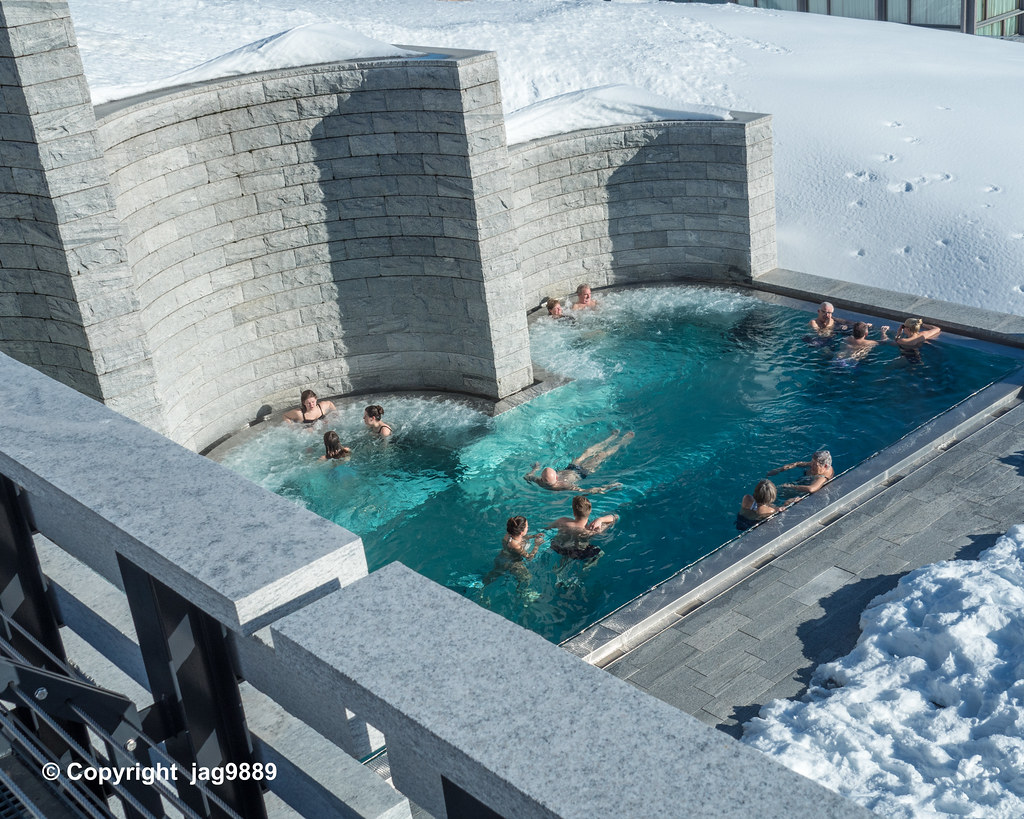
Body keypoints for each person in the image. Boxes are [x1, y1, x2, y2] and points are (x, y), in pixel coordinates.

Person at [524, 430, 633, 493]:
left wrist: (535, 469)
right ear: (556, 477)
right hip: (581, 473)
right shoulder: (564, 485)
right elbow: (585, 491)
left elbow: (527, 476)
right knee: (601, 455)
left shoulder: (539, 481)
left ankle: (611, 438)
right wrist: (607, 488)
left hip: (570, 468)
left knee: (587, 451)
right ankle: (621, 442)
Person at [548, 495, 618, 561]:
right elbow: (615, 517)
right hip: (578, 553)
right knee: (599, 553)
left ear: (574, 513)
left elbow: (546, 529)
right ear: (590, 511)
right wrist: (600, 519)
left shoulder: (562, 521)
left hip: (559, 548)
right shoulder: (591, 530)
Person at [483, 516, 542, 587]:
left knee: (493, 575)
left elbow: (521, 537)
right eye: (527, 527)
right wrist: (537, 545)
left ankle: (480, 585)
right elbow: (529, 557)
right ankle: (525, 594)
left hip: (501, 558)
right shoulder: (515, 545)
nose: (528, 528)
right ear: (521, 532)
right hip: (512, 564)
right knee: (527, 578)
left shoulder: (508, 535)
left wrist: (533, 536)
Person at [767, 450, 834, 495]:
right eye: (812, 462)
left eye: (814, 465)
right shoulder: (818, 465)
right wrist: (780, 469)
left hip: (804, 485)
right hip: (804, 479)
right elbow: (798, 464)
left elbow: (811, 489)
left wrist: (792, 487)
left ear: (825, 466)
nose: (811, 465)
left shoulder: (822, 478)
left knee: (778, 491)